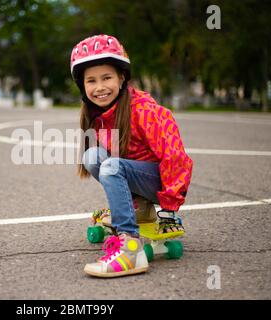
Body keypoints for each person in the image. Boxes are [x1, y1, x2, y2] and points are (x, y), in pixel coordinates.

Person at [70, 34, 193, 278]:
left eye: (107, 77)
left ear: (122, 77)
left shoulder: (144, 110)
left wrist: (169, 207)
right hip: (135, 176)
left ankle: (131, 250)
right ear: (83, 86)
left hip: (160, 181)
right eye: (91, 81)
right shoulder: (99, 116)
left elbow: (175, 157)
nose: (100, 87)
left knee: (111, 167)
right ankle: (137, 209)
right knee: (92, 156)